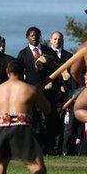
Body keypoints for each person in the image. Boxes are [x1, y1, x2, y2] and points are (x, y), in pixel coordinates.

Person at [16, 27, 59, 155]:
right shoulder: (22, 54)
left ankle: (49, 147)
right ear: (27, 37)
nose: (34, 37)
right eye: (31, 35)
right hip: (30, 93)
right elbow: (18, 73)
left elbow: (57, 67)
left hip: (47, 92)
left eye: (36, 35)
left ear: (40, 36)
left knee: (48, 119)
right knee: (33, 119)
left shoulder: (49, 51)